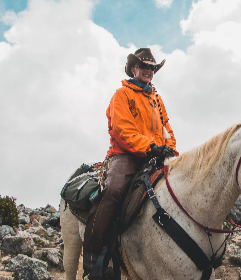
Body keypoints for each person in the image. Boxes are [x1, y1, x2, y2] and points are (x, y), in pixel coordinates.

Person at [82, 48, 178, 279]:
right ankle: (94, 262)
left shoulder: (156, 98)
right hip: (125, 155)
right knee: (113, 191)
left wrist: (171, 149)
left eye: (152, 67)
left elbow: (167, 129)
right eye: (144, 66)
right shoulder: (121, 95)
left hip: (155, 155)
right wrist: (149, 147)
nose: (149, 71)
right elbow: (122, 129)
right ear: (133, 69)